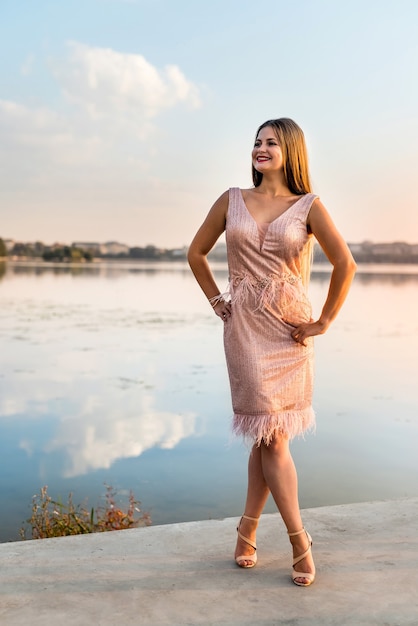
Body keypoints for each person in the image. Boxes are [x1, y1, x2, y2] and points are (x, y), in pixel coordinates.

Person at [187, 117, 356, 586]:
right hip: (244, 330)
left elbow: (346, 264)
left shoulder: (308, 206)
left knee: (270, 436)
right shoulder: (231, 200)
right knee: (270, 435)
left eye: (272, 143)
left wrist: (322, 321)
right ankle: (299, 539)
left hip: (289, 334)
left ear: (291, 152)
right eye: (257, 142)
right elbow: (196, 253)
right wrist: (218, 300)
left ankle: (249, 530)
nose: (261, 148)